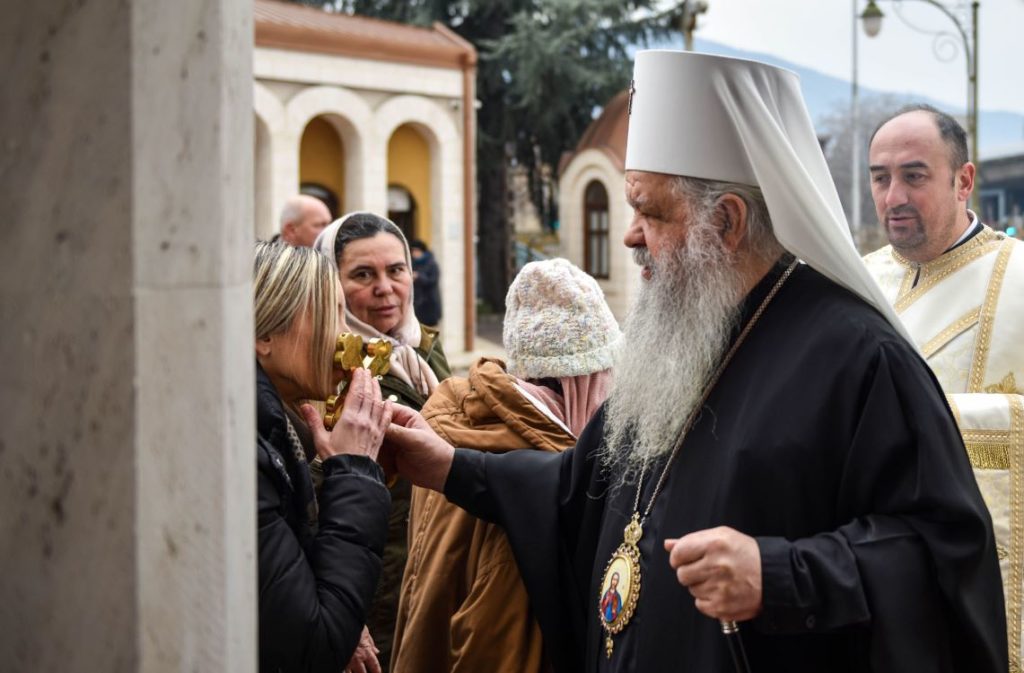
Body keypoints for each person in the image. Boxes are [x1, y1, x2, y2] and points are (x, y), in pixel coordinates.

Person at [382, 51, 1007, 672]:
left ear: (728, 222)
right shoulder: (677, 338)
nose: (630, 235)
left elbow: (938, 554)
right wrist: (452, 468)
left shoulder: (861, 359)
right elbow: (582, 488)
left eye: (650, 211)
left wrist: (781, 574)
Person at [390, 258, 622, 673]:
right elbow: (497, 639)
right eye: (604, 375)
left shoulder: (451, 420)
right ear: (580, 381)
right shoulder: (544, 465)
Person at [863, 104, 1024, 667]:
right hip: (876, 577)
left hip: (988, 576)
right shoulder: (856, 279)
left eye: (914, 175)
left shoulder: (1019, 279)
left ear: (964, 181)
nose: (893, 197)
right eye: (880, 178)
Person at [314, 212, 452, 673]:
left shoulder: (424, 351)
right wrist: (348, 617)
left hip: (434, 566)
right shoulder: (324, 368)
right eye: (362, 275)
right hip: (373, 588)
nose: (385, 287)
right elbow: (311, 503)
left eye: (396, 270)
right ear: (330, 286)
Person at [252, 240, 393, 672]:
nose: (347, 336)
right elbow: (317, 643)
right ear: (264, 336)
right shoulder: (244, 454)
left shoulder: (274, 427)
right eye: (331, 313)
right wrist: (354, 472)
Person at [409, 239, 442, 326]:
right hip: (417, 303)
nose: (414, 253)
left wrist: (419, 276)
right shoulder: (413, 263)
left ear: (422, 251)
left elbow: (433, 280)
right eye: (413, 251)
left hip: (429, 303)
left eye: (416, 251)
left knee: (429, 333)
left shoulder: (432, 264)